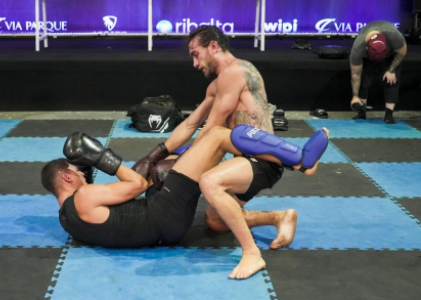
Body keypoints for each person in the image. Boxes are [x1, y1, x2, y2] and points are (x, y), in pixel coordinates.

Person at [132, 25, 312, 279]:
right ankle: (279, 217)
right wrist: (156, 154)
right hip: (244, 160)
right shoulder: (216, 86)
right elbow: (191, 124)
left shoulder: (236, 72)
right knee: (215, 222)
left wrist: (183, 163)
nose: (194, 63)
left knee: (210, 181)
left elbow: (214, 128)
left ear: (213, 46)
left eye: (196, 53)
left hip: (262, 160)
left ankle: (252, 254)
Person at [41, 125, 329, 279]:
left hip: (159, 226)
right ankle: (301, 161)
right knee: (216, 135)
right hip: (161, 214)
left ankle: (278, 217)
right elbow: (137, 185)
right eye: (79, 171)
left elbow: (131, 202)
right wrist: (104, 158)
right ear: (66, 178)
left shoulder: (67, 220)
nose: (86, 174)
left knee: (213, 214)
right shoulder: (83, 196)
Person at [349, 21, 407, 124]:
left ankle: (389, 115)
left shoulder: (393, 36)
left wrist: (391, 69)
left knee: (391, 80)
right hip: (367, 57)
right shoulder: (358, 48)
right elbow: (355, 75)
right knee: (364, 79)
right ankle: (362, 113)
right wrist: (355, 96)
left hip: (390, 56)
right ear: (366, 48)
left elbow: (402, 51)